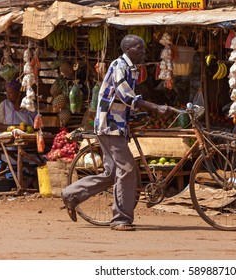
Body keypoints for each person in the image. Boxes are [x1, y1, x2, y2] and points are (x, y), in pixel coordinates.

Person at [61, 34, 169, 231]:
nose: (143, 51)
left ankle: (71, 194)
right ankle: (120, 219)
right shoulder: (120, 66)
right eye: (139, 48)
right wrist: (154, 106)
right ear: (127, 49)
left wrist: (135, 115)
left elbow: (124, 101)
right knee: (127, 169)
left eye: (143, 48)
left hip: (117, 124)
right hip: (110, 125)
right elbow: (125, 94)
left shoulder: (131, 69)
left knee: (113, 173)